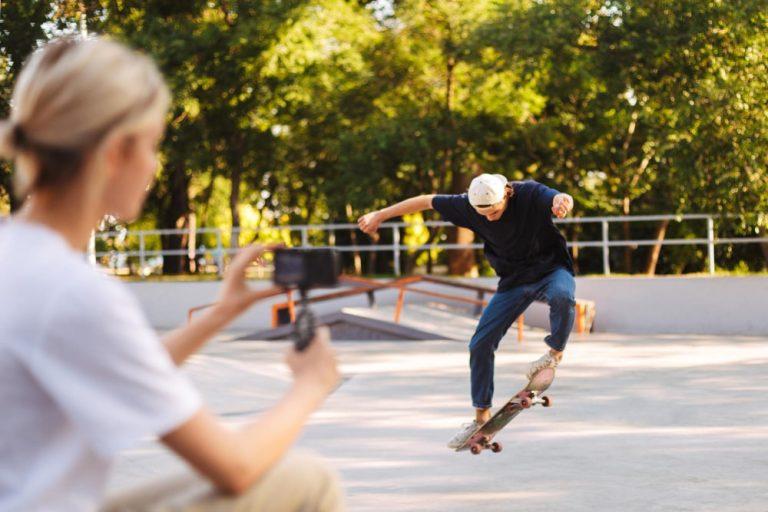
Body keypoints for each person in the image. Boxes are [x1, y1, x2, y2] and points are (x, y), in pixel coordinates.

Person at [0, 37, 343, 512]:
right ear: (115, 152)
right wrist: (312, 385)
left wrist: (222, 311)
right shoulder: (72, 290)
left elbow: (119, 367)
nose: (154, 166)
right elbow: (235, 466)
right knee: (309, 481)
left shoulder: (18, 258)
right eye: (153, 145)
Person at [358, 173, 575, 449]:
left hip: (551, 270)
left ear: (506, 194)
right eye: (482, 214)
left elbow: (555, 197)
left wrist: (561, 200)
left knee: (563, 296)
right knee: (480, 344)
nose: (489, 218)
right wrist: (381, 214)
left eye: (494, 211)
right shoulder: (467, 205)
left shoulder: (528, 193)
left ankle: (553, 355)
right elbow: (425, 201)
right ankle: (480, 418)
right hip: (514, 282)